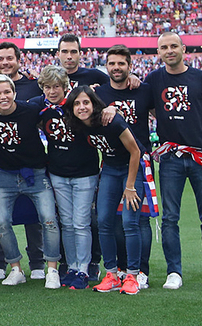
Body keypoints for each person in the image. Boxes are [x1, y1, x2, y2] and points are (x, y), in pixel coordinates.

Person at [146, 32, 202, 291]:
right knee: (170, 218)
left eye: (174, 46)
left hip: (201, 158)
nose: (169, 51)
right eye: (164, 47)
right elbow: (147, 106)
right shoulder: (153, 79)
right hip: (170, 159)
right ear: (158, 53)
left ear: (184, 49)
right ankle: (174, 272)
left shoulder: (201, 78)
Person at [0, 74, 60, 289]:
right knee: (1, 222)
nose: (3, 96)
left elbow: (49, 116)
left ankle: (52, 269)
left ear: (15, 93)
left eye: (7, 92)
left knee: (48, 219)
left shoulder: (30, 109)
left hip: (35, 173)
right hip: (4, 175)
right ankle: (16, 268)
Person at [65, 85, 144, 295]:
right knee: (103, 221)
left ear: (94, 104)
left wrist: (130, 186)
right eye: (77, 103)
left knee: (129, 222)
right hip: (109, 169)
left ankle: (133, 276)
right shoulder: (79, 125)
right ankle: (111, 274)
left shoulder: (111, 121)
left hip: (131, 168)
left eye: (86, 102)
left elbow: (135, 151)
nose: (82, 107)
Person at [0, 42, 45, 281]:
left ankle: (37, 261)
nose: (5, 62)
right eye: (1, 58)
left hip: (29, 162)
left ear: (19, 60)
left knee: (33, 214)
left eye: (10, 58)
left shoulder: (33, 84)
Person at [34, 66, 99, 290]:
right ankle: (71, 266)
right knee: (68, 223)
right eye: (47, 87)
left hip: (85, 172)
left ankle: (84, 269)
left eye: (56, 86)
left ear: (65, 87)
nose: (52, 91)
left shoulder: (76, 104)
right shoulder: (40, 107)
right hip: (58, 173)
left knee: (81, 222)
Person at [95, 44, 155, 287]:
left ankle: (139, 271)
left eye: (121, 63)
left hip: (137, 164)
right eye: (112, 63)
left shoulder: (144, 90)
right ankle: (114, 271)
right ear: (106, 66)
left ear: (130, 66)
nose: (116, 67)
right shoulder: (99, 94)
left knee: (136, 221)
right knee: (105, 220)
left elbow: (161, 113)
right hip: (110, 164)